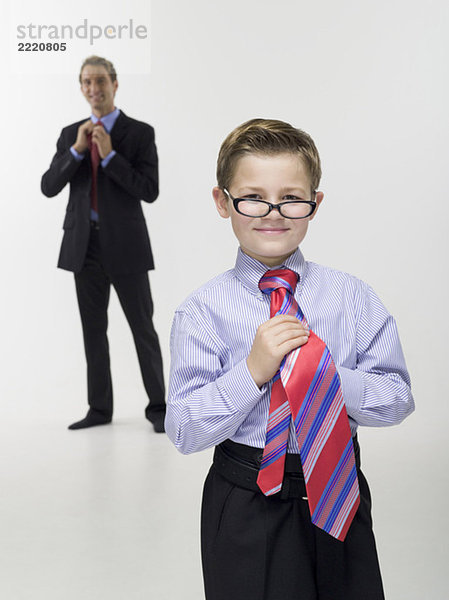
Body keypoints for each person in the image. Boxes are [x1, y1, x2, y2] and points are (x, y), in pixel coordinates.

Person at [166, 118, 414, 599]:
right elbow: (183, 429)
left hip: (339, 489)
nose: (273, 212)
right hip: (245, 497)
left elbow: (397, 398)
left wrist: (324, 377)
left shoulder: (353, 298)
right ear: (223, 202)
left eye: (292, 197)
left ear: (315, 205)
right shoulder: (201, 311)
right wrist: (252, 372)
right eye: (253, 196)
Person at [41, 56, 166, 433]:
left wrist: (110, 155)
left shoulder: (139, 133)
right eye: (86, 82)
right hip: (85, 249)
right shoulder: (70, 135)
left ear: (114, 83)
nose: (94, 89)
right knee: (93, 331)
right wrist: (78, 150)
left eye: (100, 81)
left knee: (142, 329)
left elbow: (149, 191)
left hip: (126, 247)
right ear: (81, 88)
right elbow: (49, 186)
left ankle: (159, 407)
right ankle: (99, 409)